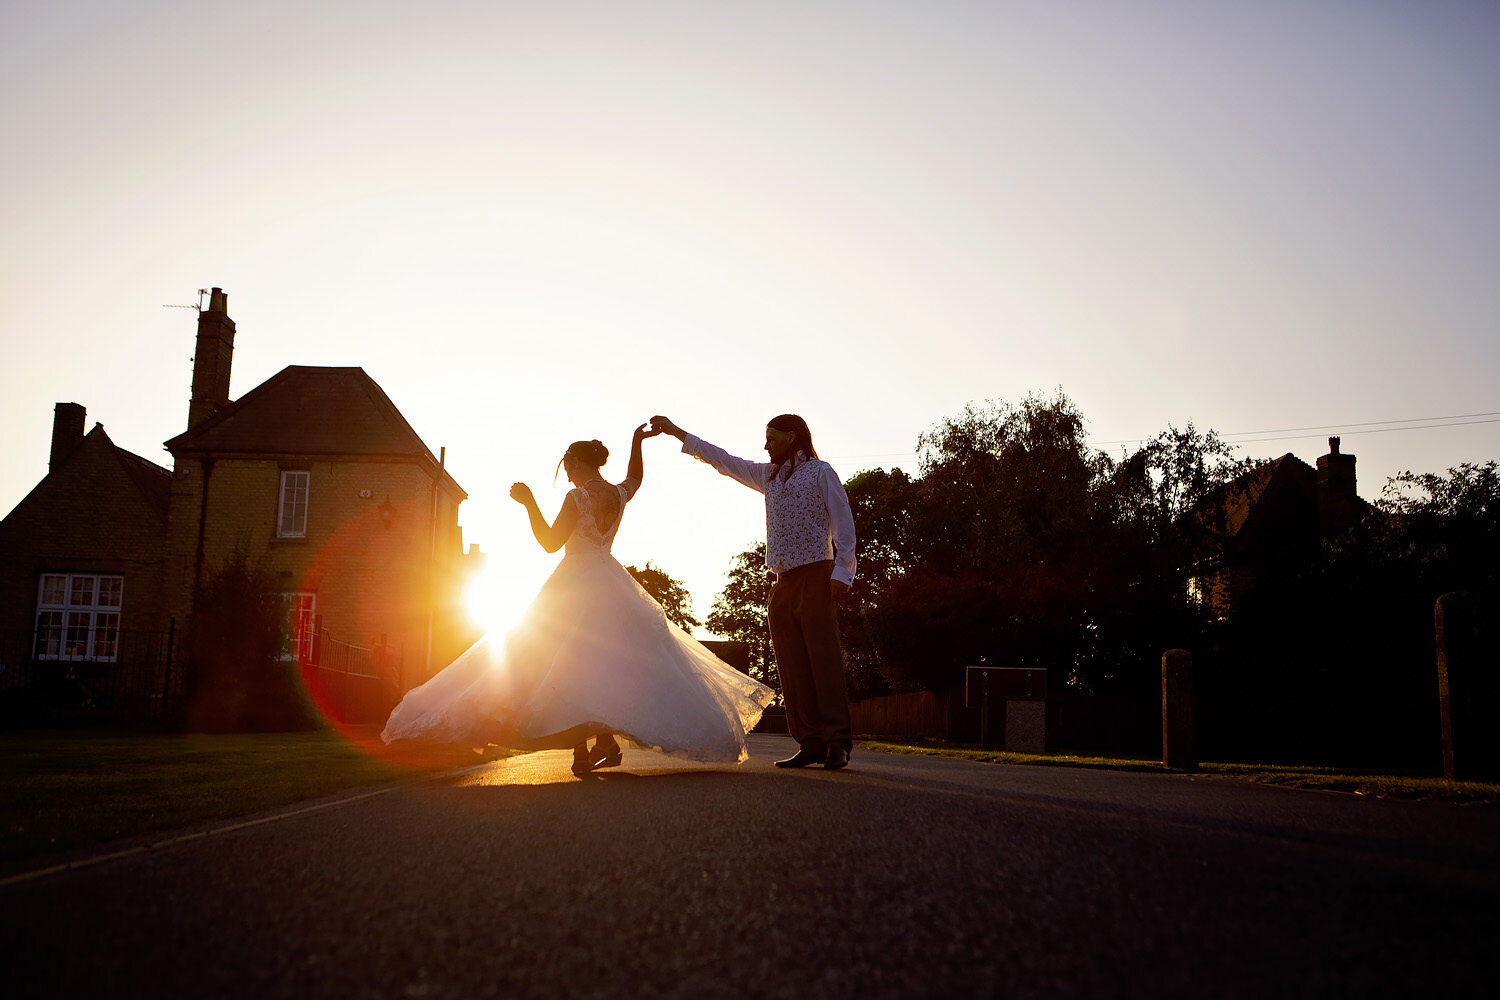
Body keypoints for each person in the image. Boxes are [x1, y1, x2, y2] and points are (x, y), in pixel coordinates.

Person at [381, 423, 775, 775]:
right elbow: (635, 479)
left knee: (563, 660)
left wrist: (529, 502)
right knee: (599, 666)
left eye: (566, 465)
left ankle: (587, 749)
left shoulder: (577, 499)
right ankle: (597, 745)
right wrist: (637, 442)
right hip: (611, 580)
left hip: (574, 582)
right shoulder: (618, 496)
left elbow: (550, 543)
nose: (565, 473)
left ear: (575, 462)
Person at [649, 414, 857, 770]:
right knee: (791, 666)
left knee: (823, 660)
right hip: (782, 582)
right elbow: (725, 461)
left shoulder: (821, 472)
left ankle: (837, 741)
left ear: (792, 437)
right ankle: (810, 742)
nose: (766, 446)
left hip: (816, 575)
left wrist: (843, 571)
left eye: (772, 439)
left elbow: (843, 519)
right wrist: (676, 432)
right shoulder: (769, 475)